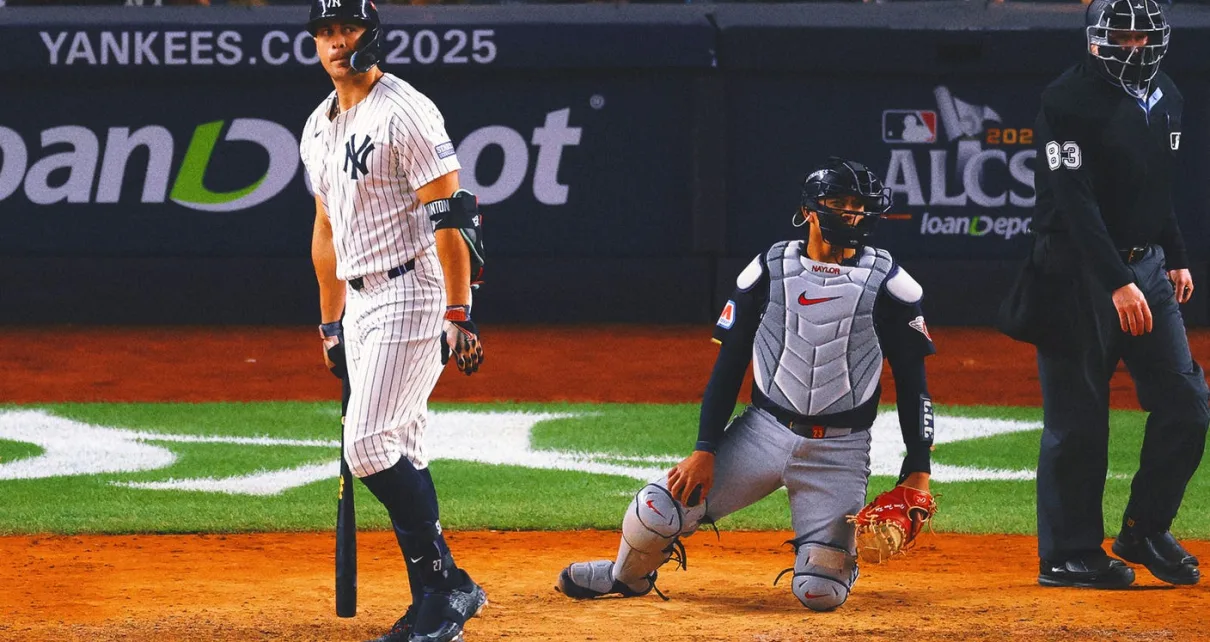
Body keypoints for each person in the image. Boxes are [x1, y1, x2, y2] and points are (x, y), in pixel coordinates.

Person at [555, 158, 936, 611]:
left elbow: (915, 384)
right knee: (657, 510)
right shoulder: (770, 270)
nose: (851, 214)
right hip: (763, 433)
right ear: (810, 210)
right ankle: (625, 577)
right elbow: (730, 363)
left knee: (820, 592)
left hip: (840, 450)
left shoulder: (893, 287)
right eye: (840, 203)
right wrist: (704, 448)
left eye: (860, 206)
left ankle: (835, 559)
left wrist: (918, 468)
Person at [301, 1, 488, 640]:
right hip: (360, 303)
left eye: (346, 28)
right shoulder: (318, 127)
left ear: (371, 34)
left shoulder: (405, 110)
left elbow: (454, 215)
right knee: (400, 443)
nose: (335, 42)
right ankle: (436, 596)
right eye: (324, 31)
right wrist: (331, 324)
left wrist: (459, 311)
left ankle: (446, 586)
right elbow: (326, 230)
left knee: (367, 444)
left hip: (413, 290)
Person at [1025, 0, 1207, 589]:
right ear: (1095, 40)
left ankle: (1143, 529)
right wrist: (1118, 281)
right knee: (1078, 419)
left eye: (1143, 36)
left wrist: (1172, 255)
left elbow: (1156, 187)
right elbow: (1075, 203)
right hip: (1075, 272)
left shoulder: (1167, 96)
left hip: (1145, 267)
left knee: (1187, 402)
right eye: (1121, 36)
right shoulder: (1065, 99)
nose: (1133, 47)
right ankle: (1067, 553)